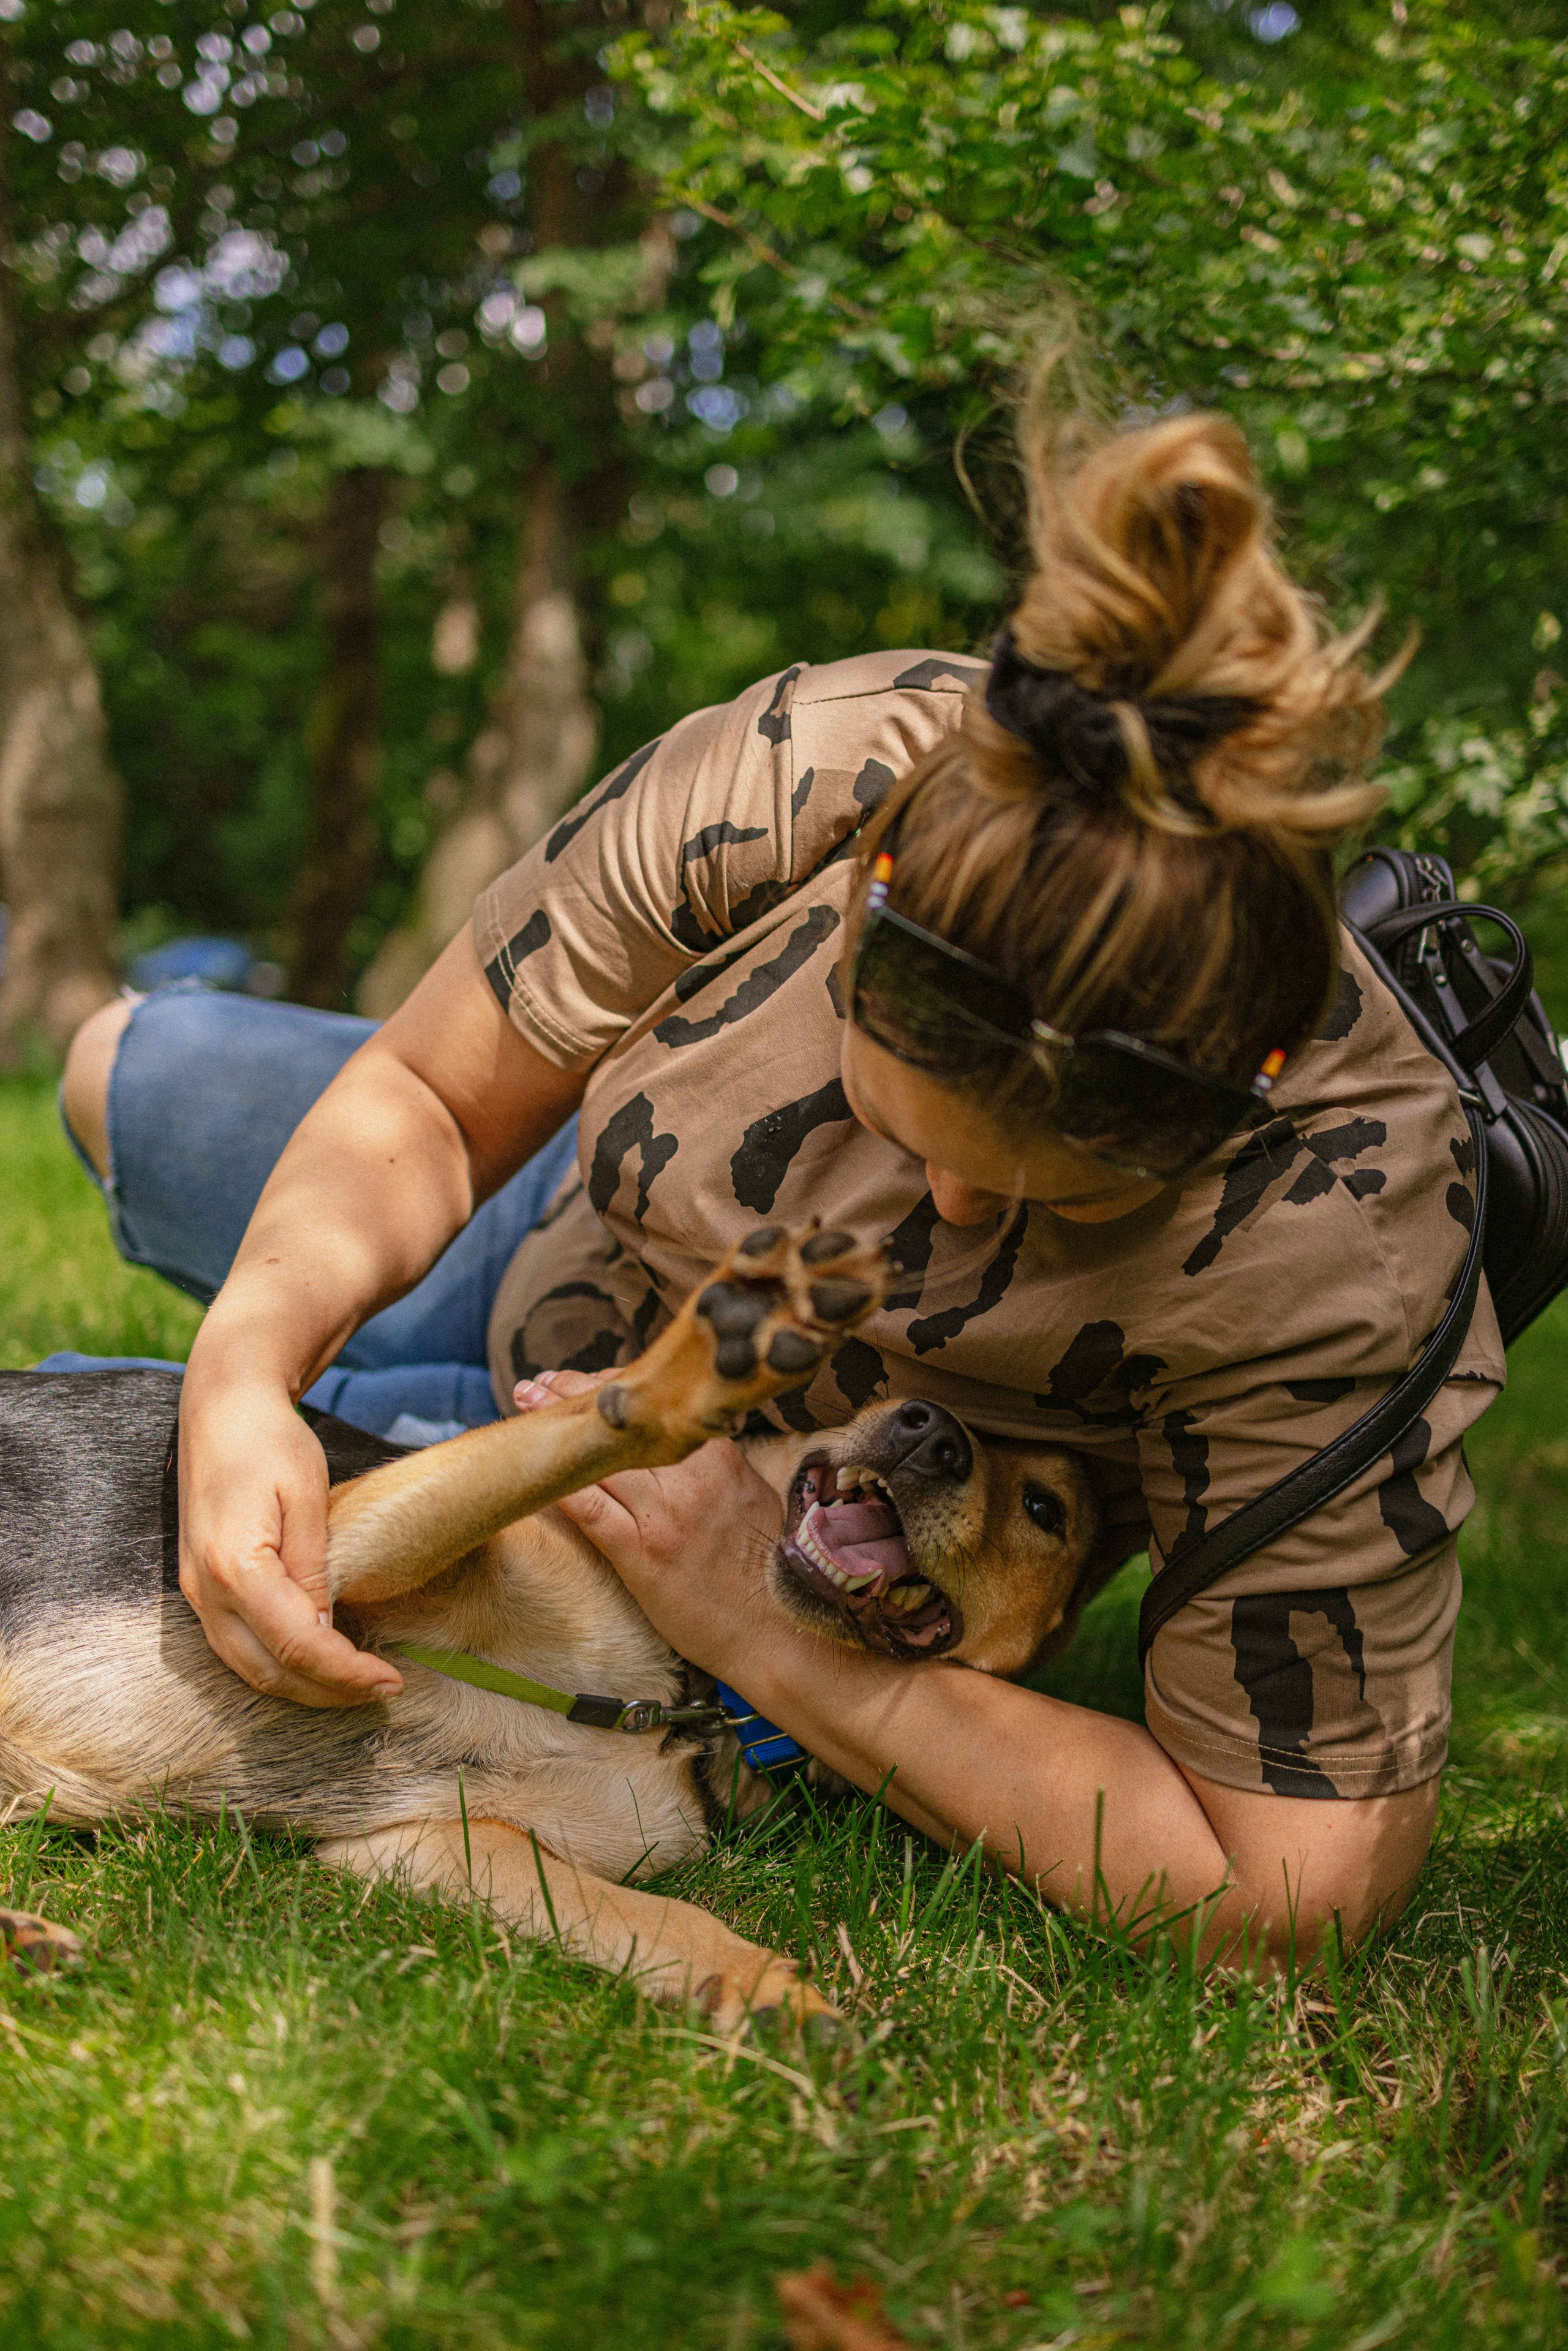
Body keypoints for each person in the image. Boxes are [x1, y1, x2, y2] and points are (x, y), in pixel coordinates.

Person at [62, 372, 1500, 1967]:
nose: (943, 1219)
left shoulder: (1348, 1241)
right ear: (862, 909)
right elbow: (421, 1093)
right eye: (895, 1126)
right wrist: (245, 1376)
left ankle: (405, 1437)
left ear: (1241, 1107)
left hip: (738, 1506)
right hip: (573, 1241)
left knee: (115, 1485)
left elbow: (1288, 1897)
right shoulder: (814, 772)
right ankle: (380, 1399)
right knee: (140, 1074)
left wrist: (748, 1611)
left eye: (1058, 1209)